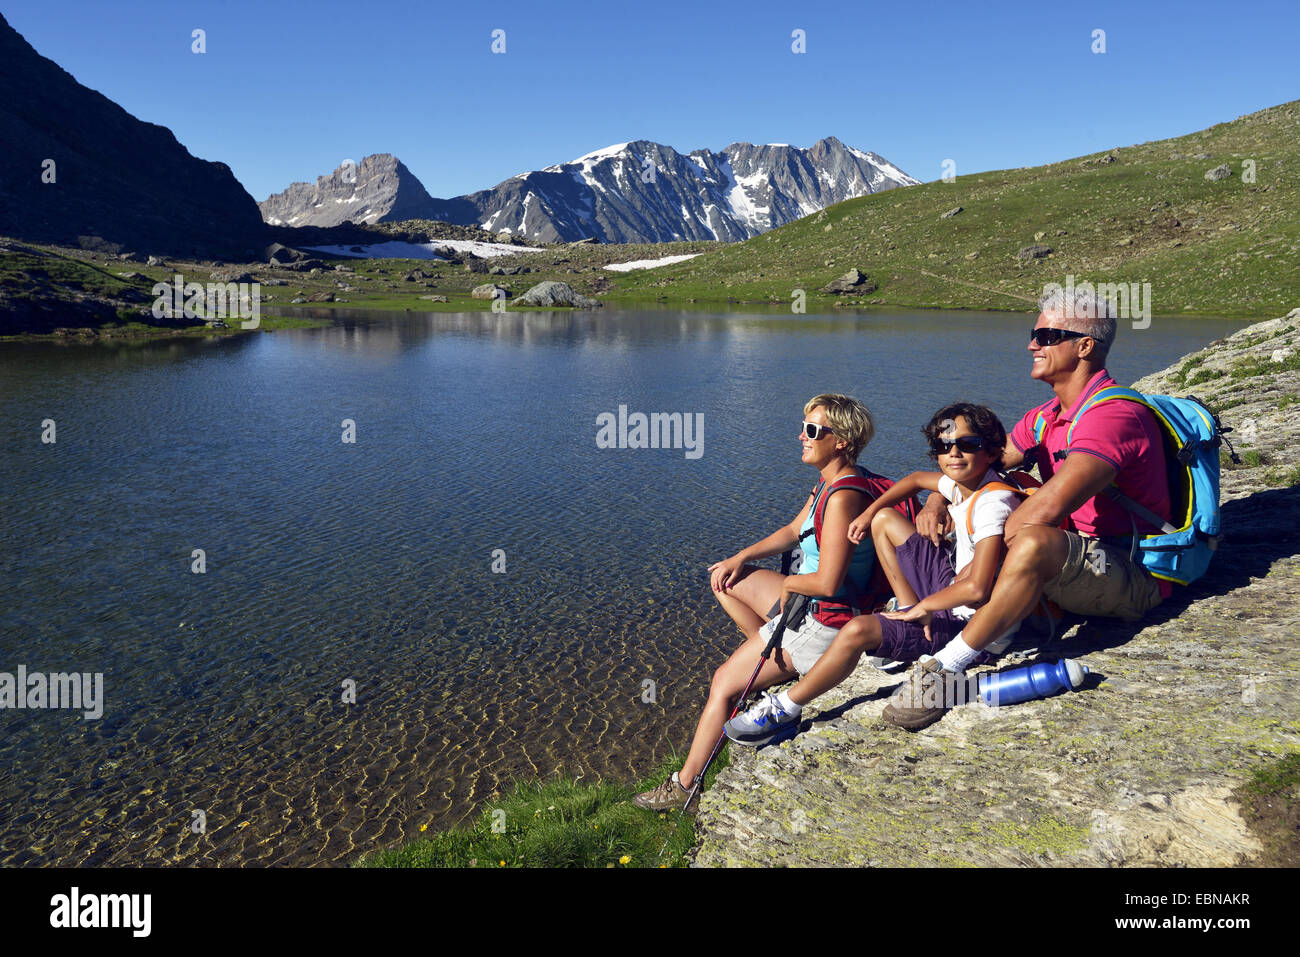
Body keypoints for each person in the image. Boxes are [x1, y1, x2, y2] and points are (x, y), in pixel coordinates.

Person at [882, 287, 1172, 730]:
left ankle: (946, 668)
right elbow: (974, 466)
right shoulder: (1045, 417)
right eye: (1033, 333)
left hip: (1135, 574)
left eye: (1046, 334)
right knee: (1016, 539)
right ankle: (980, 626)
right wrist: (939, 496)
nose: (1032, 344)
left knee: (1029, 538)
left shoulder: (1111, 417)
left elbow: (1032, 519)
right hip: (1076, 563)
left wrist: (972, 579)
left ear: (1085, 346)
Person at [633, 393, 906, 810]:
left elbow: (830, 581)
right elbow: (794, 530)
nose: (802, 435)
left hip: (824, 621)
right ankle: (770, 652)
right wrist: (742, 556)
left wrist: (790, 586)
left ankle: (684, 786)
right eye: (804, 427)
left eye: (814, 430)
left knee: (723, 684)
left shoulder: (844, 496)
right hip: (812, 604)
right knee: (727, 580)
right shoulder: (833, 483)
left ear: (842, 441)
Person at [724, 403, 1021, 747]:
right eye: (943, 446)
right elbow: (912, 481)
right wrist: (872, 512)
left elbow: (978, 588)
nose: (953, 454)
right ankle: (905, 612)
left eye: (967, 445)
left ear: (993, 450)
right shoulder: (968, 483)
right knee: (884, 521)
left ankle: (786, 708)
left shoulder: (992, 504)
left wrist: (922, 609)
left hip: (970, 628)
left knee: (858, 630)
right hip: (950, 590)